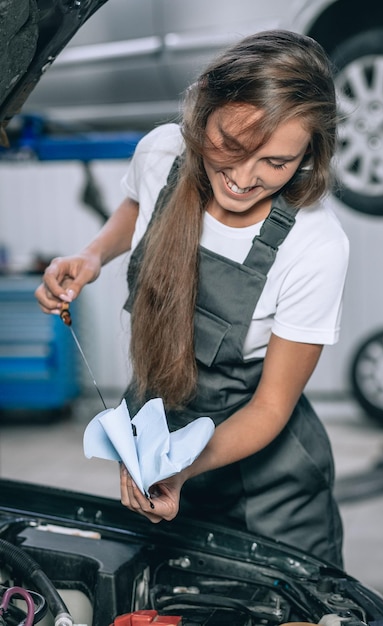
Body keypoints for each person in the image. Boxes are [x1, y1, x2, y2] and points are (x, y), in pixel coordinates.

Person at [35, 30, 349, 568]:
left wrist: (180, 467)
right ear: (204, 111)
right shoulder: (161, 151)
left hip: (265, 492)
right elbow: (137, 207)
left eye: (275, 162)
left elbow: (272, 406)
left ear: (308, 154)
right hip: (158, 452)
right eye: (231, 146)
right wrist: (92, 255)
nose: (244, 179)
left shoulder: (315, 245)